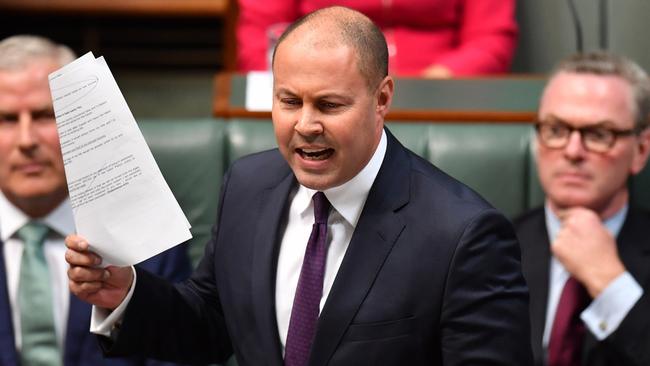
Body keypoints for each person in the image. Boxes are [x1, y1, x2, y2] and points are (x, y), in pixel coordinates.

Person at [66, 7, 532, 365]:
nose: (305, 125)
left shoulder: (464, 236)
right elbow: (210, 322)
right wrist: (125, 294)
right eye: (289, 101)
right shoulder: (248, 185)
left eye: (329, 105)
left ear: (382, 99)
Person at [0, 35, 193, 366]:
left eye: (46, 115)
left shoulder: (148, 239)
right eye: (6, 120)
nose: (27, 140)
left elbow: (180, 355)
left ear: (82, 120)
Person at [515, 52, 650, 366]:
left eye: (599, 134)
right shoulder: (490, 247)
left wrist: (611, 283)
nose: (573, 151)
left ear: (640, 151)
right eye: (556, 130)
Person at [236, 0, 518, 78]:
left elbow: (490, 38)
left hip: (440, 101)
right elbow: (261, 39)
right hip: (323, 96)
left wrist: (434, 84)